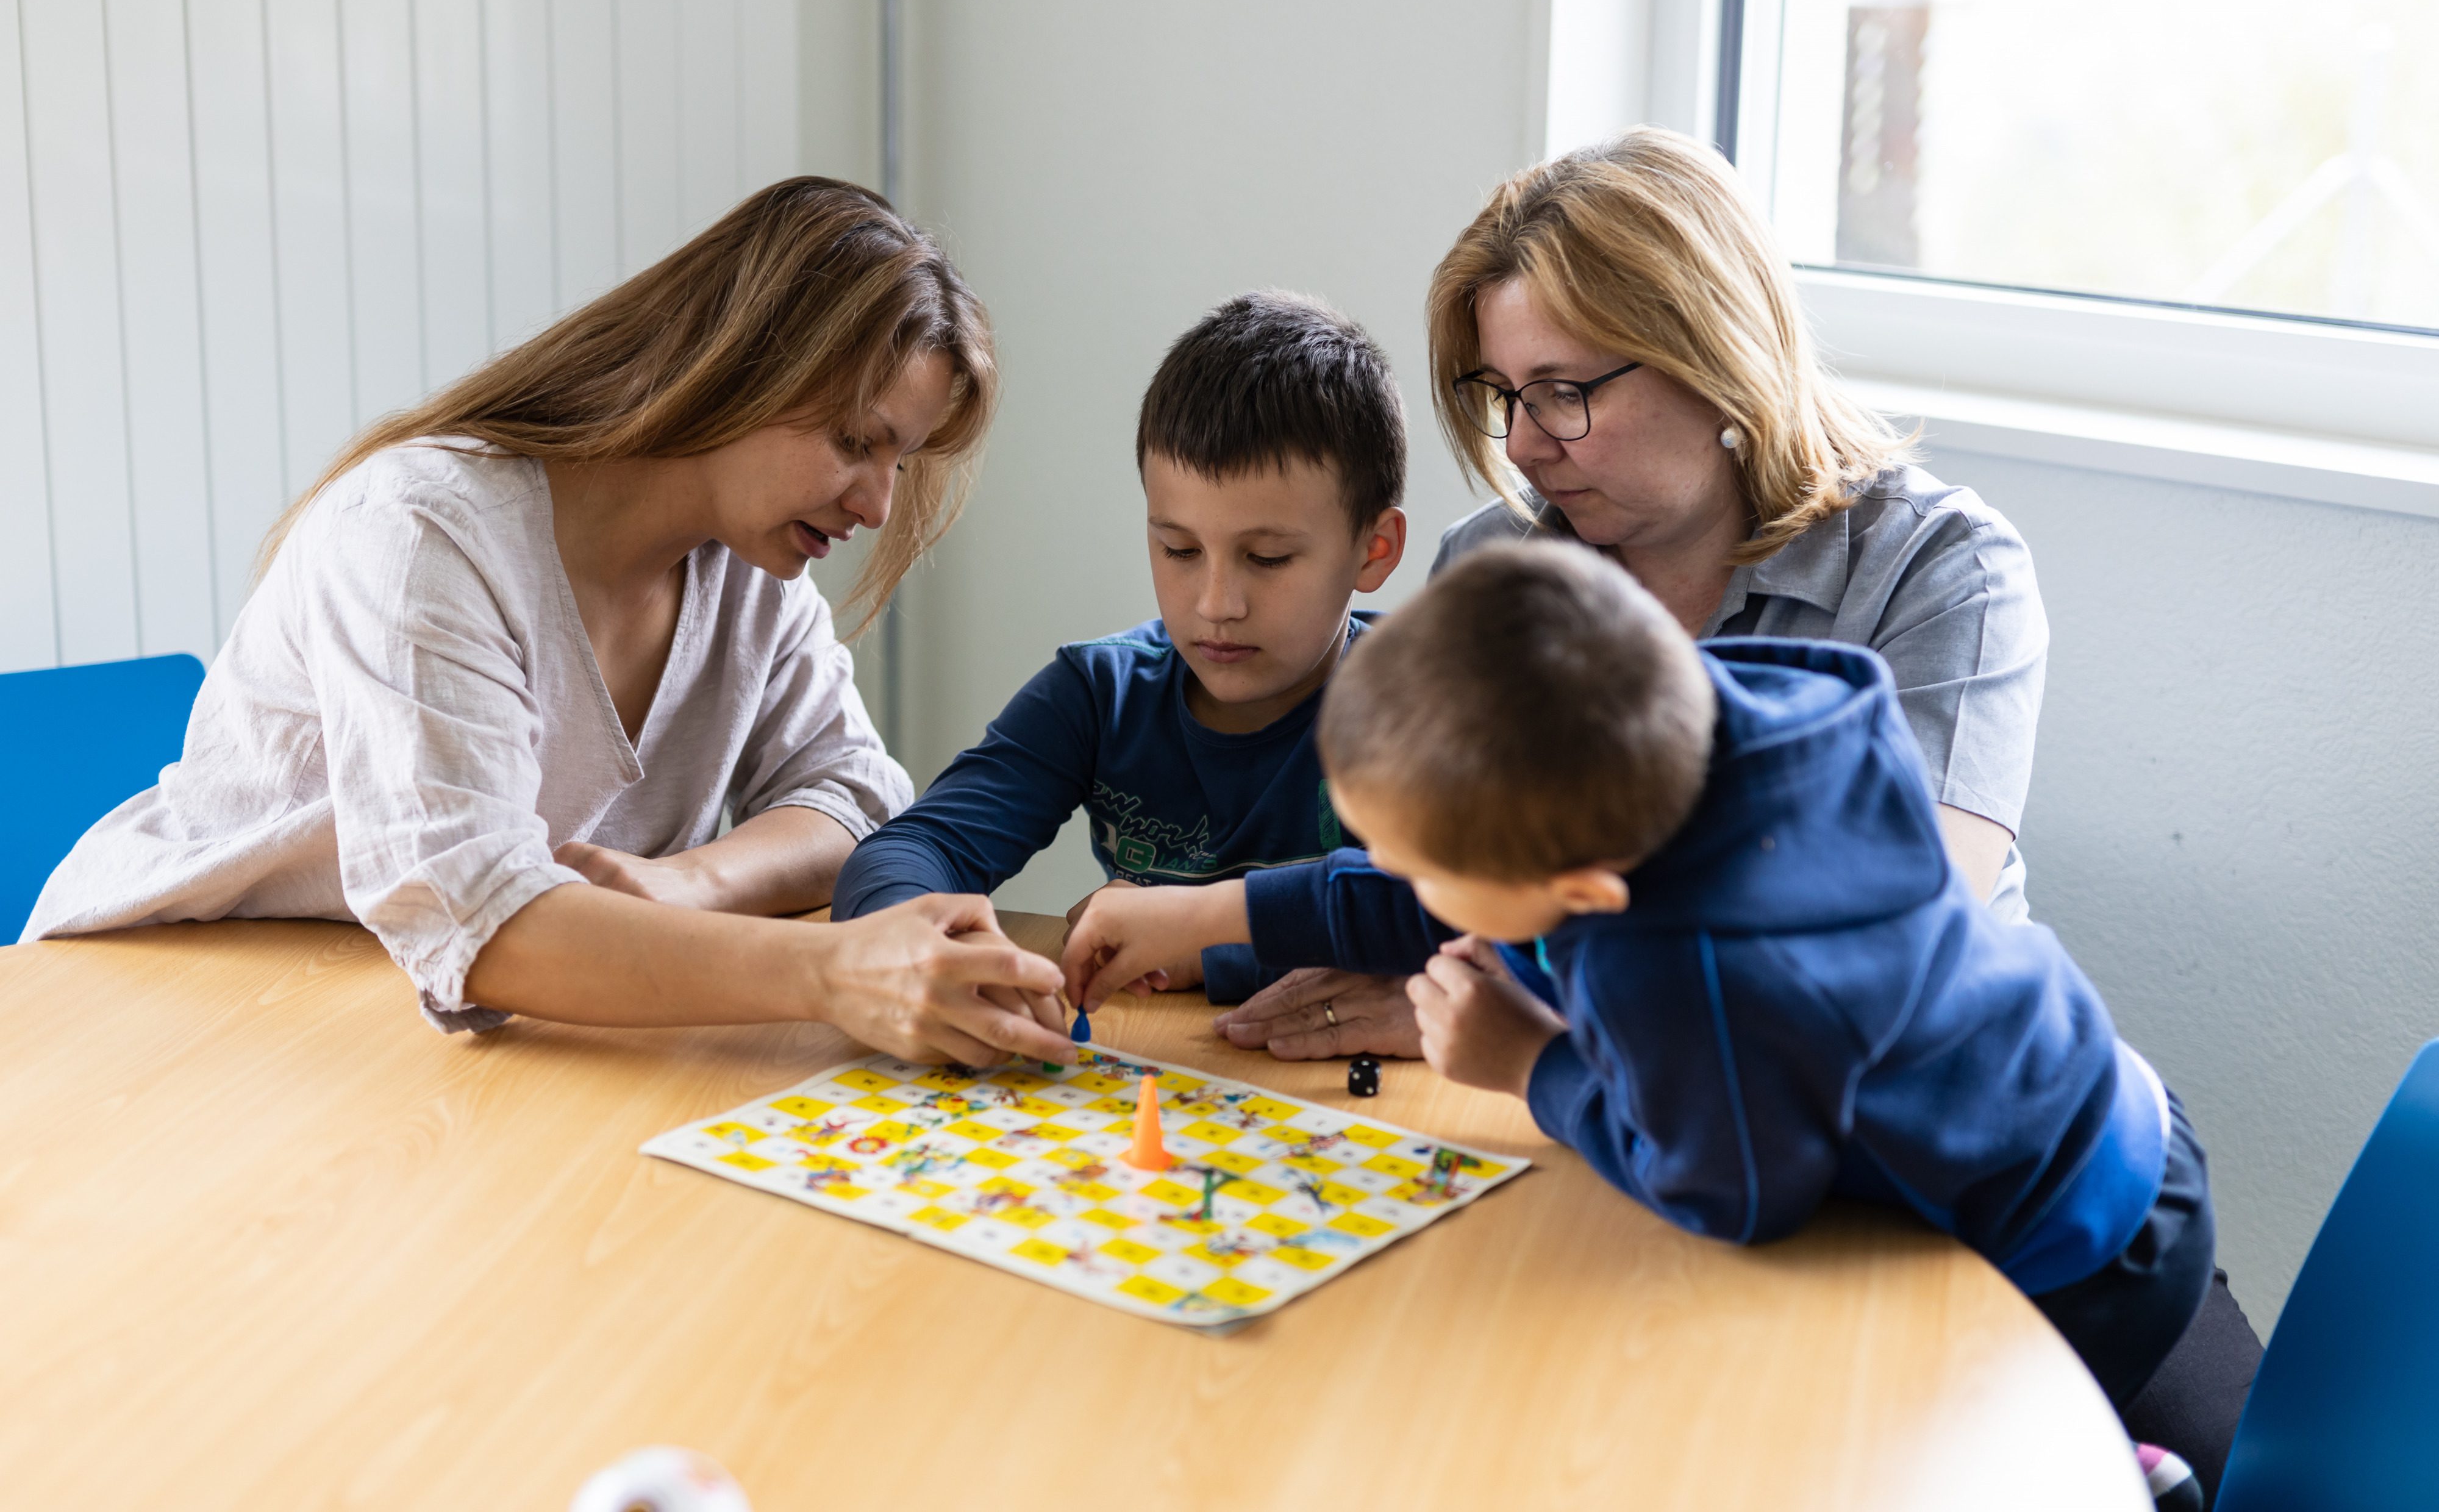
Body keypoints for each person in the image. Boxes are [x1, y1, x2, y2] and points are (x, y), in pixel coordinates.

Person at [1063, 543, 2241, 1494]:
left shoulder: (1705, 969)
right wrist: (1218, 916)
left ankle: (2113, 1478)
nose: (1408, 888)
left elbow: (1729, 1191)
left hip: (2078, 1242)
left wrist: (1534, 1063)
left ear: (1581, 900)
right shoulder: (1679, 728)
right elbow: (1457, 866)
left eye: (1424, 873)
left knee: (1856, 1452)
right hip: (2079, 1094)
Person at [24, 178, 1072, 1069]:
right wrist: (835, 973)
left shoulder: (752, 570)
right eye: (856, 441)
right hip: (143, 1019)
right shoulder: (422, 534)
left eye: (902, 461)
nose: (878, 506)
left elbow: (853, 795)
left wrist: (689, 881)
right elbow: (482, 918)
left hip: (378, 1018)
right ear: (738, 365)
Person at [1218, 126, 2049, 1063]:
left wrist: (1536, 1027)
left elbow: (1886, 953)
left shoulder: (1944, 570)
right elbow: (1442, 887)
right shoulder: (1496, 563)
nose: (1525, 448)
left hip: (1919, 1119)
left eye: (1564, 391)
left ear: (1716, 359)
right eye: (1504, 395)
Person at [830, 292, 1407, 1005]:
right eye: (1179, 548)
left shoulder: (1420, 704)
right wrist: (925, 949)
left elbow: (1451, 916)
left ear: (1373, 551)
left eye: (1267, 559)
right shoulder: (1099, 693)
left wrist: (1212, 946)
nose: (1215, 604)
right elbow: (907, 850)